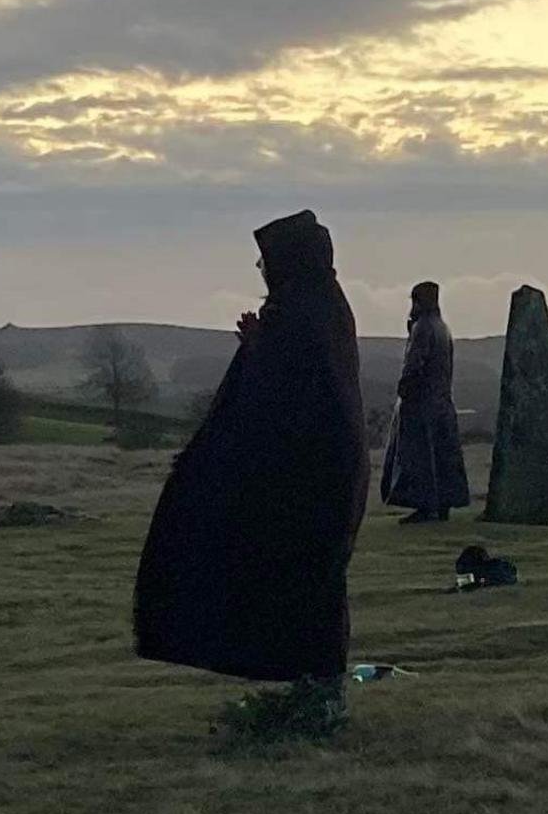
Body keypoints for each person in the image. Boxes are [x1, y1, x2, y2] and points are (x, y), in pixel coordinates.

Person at [133, 210, 369, 712]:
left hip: (305, 477)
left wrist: (264, 350)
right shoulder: (318, 304)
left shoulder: (302, 312)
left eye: (267, 261)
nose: (262, 271)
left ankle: (316, 695)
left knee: (301, 579)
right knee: (301, 581)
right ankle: (312, 690)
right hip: (317, 472)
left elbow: (292, 397)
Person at [381, 280, 470, 523]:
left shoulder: (423, 328)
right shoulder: (443, 328)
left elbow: (414, 364)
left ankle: (425, 505)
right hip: (442, 401)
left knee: (420, 457)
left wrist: (405, 389)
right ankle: (442, 503)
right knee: (441, 455)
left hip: (421, 403)